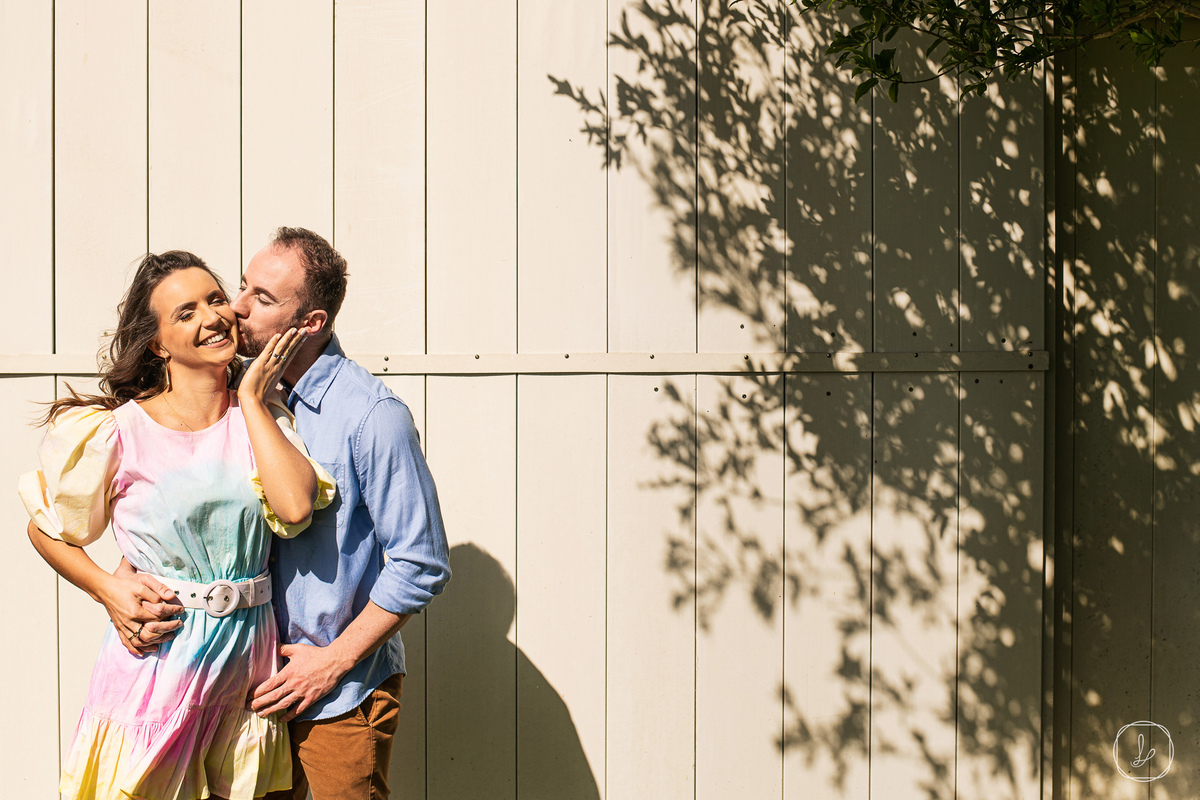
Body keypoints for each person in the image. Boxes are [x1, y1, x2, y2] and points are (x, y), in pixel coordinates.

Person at [21, 251, 337, 800]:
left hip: (247, 672)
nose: (212, 318)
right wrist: (107, 588)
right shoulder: (118, 432)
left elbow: (293, 509)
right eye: (185, 312)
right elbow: (46, 528)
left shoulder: (262, 418)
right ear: (157, 343)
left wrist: (251, 400)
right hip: (159, 665)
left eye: (216, 300)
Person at [233, 227, 451, 799]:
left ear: (311, 323)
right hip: (247, 684)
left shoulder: (372, 416)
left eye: (262, 298)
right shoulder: (236, 393)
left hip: (339, 695)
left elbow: (420, 563)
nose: (236, 308)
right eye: (242, 286)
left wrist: (332, 662)